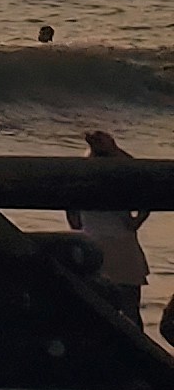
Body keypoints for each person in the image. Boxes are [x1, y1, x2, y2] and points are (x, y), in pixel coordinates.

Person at [69, 132, 151, 314]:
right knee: (130, 309)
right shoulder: (122, 171)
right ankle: (131, 343)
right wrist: (136, 223)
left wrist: (77, 227)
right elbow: (145, 188)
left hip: (92, 241)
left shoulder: (83, 170)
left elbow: (71, 212)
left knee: (93, 308)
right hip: (122, 243)